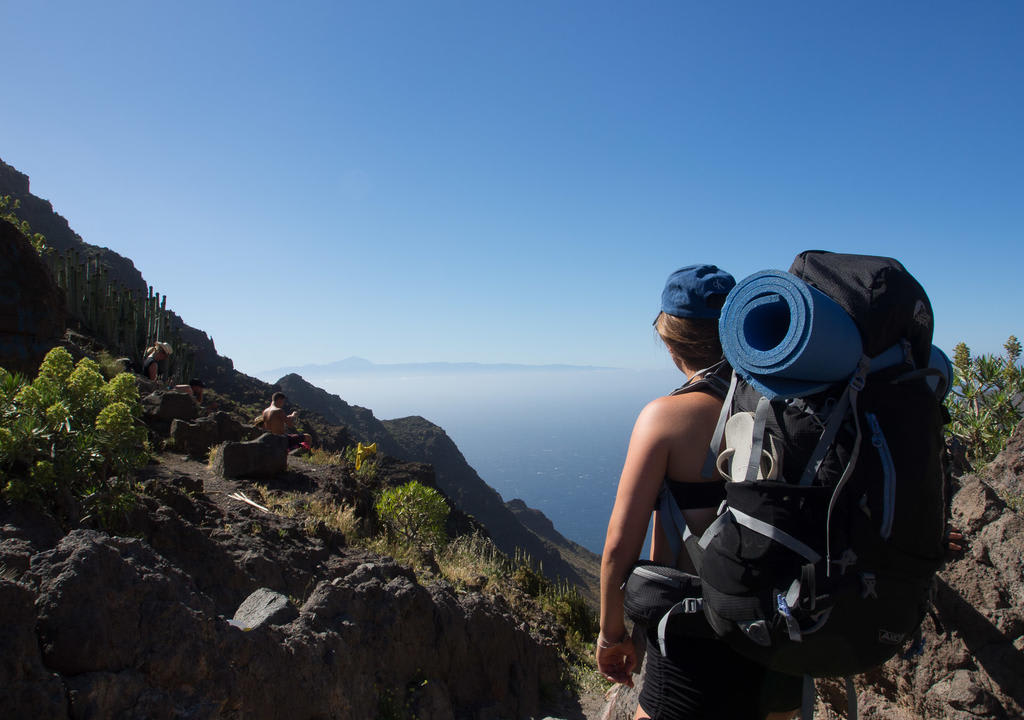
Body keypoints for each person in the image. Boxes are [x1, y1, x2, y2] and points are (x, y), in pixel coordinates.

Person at [596, 265, 801, 720]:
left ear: (670, 344)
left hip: (697, 633)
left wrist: (612, 633)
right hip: (782, 635)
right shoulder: (789, 407)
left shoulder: (666, 418)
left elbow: (618, 546)